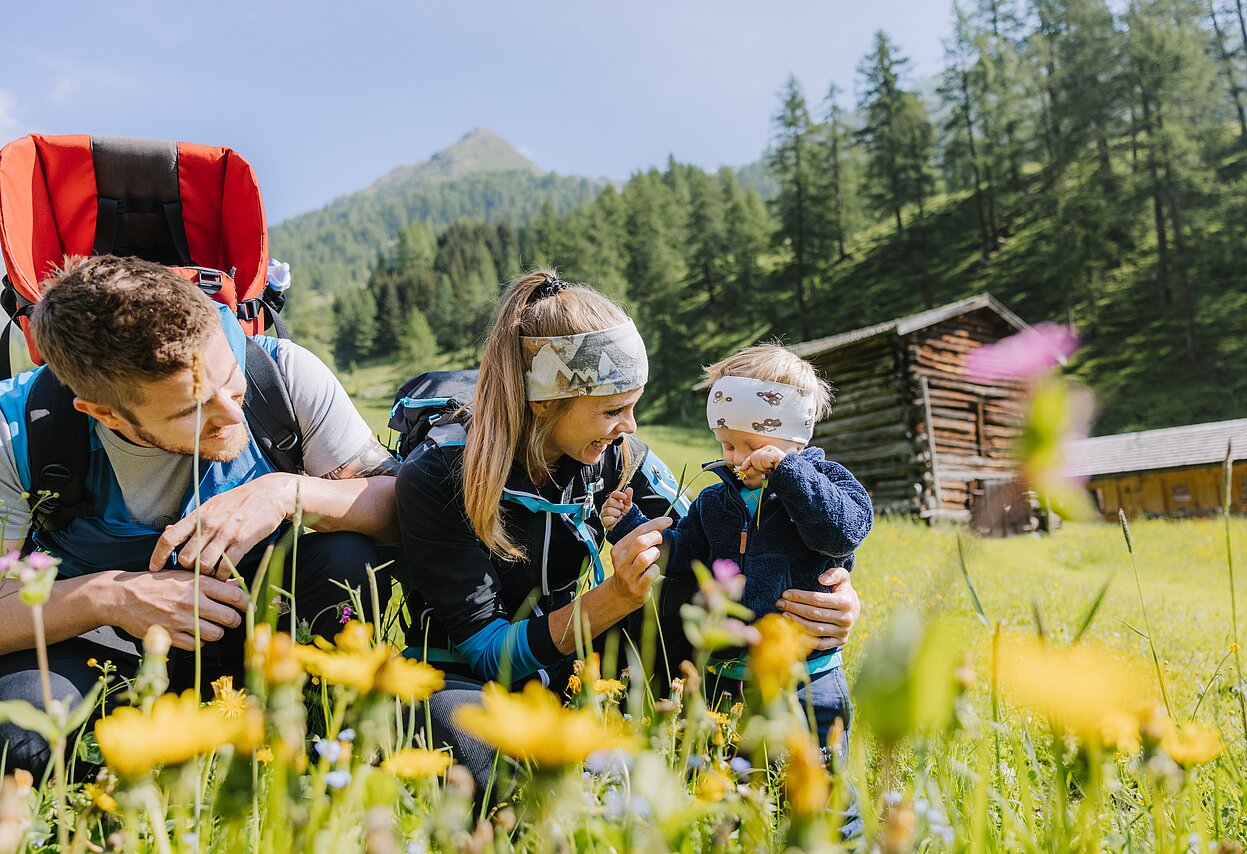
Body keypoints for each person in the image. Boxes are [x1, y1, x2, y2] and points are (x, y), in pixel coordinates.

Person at [394, 270, 861, 794]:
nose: (630, 427)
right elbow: (488, 651)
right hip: (462, 676)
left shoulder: (614, 455)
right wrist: (614, 597)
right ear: (544, 400)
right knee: (496, 773)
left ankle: (727, 754)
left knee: (687, 593)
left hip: (572, 666)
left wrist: (834, 595)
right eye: (613, 410)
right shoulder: (440, 474)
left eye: (633, 405)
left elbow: (728, 545)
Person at [0, 255, 399, 772]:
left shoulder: (282, 374)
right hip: (110, 651)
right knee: (21, 726)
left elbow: (402, 509)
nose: (232, 416)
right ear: (103, 412)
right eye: (192, 409)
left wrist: (287, 492)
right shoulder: (18, 431)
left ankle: (324, 743)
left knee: (344, 554)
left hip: (267, 634)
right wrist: (109, 596)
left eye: (230, 380)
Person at [601, 342, 872, 745]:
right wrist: (631, 527)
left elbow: (841, 532)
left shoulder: (827, 484)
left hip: (806, 678)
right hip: (726, 675)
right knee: (726, 770)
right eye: (727, 444)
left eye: (753, 446)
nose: (737, 458)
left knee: (817, 774)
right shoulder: (715, 501)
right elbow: (685, 553)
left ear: (795, 439)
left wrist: (788, 474)